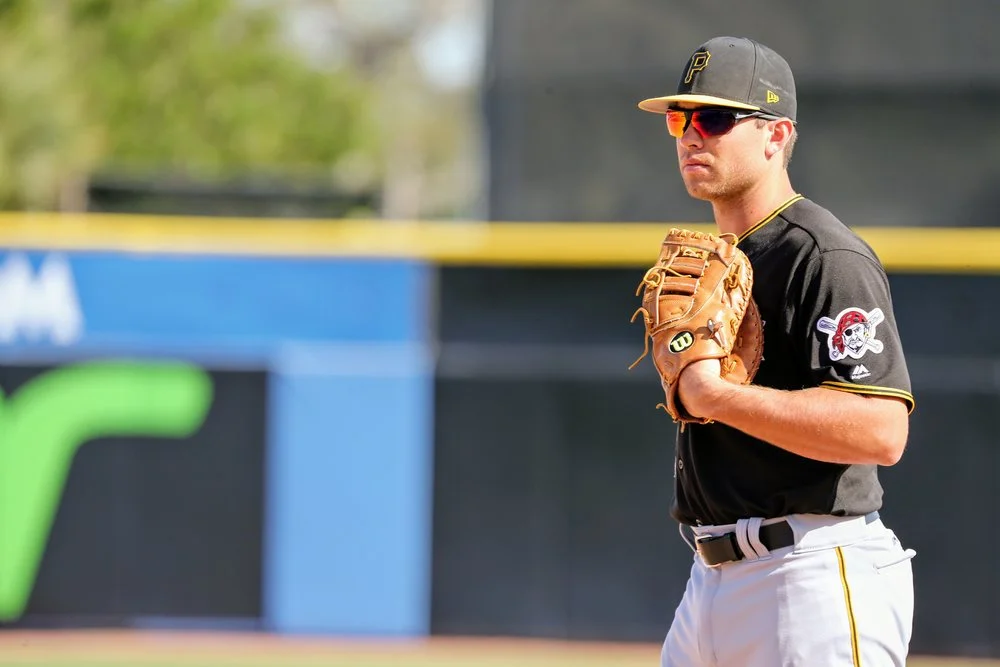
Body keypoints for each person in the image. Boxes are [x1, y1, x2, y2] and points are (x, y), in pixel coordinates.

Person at [636, 36, 917, 666]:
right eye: (680, 119)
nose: (690, 136)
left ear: (775, 134)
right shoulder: (718, 257)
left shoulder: (823, 255)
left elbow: (882, 431)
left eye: (714, 118)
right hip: (709, 578)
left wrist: (717, 395)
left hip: (810, 574)